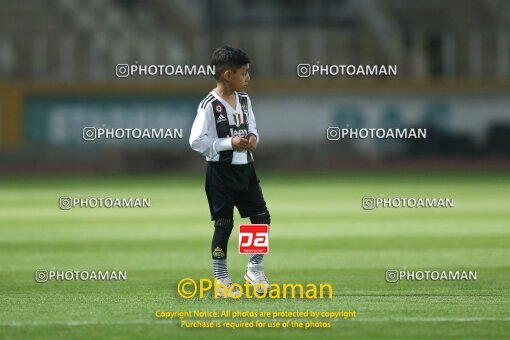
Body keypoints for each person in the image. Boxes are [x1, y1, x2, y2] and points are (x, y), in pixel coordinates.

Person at [189, 46, 271, 298]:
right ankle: (221, 278)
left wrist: (253, 138)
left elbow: (252, 126)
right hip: (221, 174)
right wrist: (228, 144)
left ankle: (254, 268)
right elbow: (196, 141)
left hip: (246, 169)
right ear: (227, 75)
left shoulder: (244, 100)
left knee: (261, 219)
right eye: (244, 73)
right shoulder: (209, 105)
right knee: (224, 225)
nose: (248, 78)